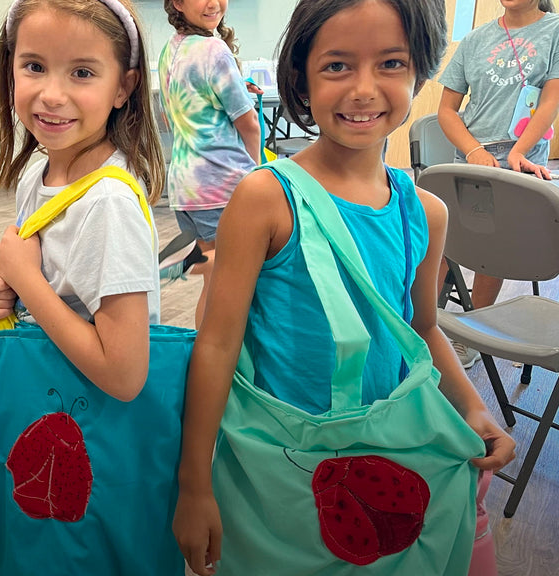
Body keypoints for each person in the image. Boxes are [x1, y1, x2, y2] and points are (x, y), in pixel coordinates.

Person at [173, 1, 517, 574]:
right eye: (336, 66)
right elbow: (215, 344)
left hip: (385, 458)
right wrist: (194, 483)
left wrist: (475, 410)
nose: (363, 89)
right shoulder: (265, 200)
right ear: (301, 81)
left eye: (390, 63)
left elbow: (423, 327)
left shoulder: (425, 214)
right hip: (278, 468)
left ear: (419, 72)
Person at [0, 0, 165, 401]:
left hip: (95, 427)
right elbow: (55, 290)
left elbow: (124, 376)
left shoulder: (108, 202)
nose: (52, 94)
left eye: (81, 73)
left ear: (123, 88)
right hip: (53, 399)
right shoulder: (36, 176)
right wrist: (9, 292)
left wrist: (26, 280)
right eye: (34, 66)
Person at [438, 0, 559, 368]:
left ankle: (472, 334)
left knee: (491, 248)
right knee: (442, 242)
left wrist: (519, 152)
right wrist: (473, 150)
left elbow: (552, 97)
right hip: (472, 160)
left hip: (521, 163)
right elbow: (446, 110)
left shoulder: (553, 31)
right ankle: (421, 323)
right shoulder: (475, 39)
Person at [157, 0, 261, 327]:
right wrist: (256, 176)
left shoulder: (170, 49)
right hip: (221, 184)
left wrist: (239, 88)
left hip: (185, 188)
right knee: (236, 271)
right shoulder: (214, 50)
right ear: (177, 3)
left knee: (215, 283)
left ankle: (206, 352)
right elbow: (250, 125)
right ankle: (165, 266)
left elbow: (173, 113)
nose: (213, 2)